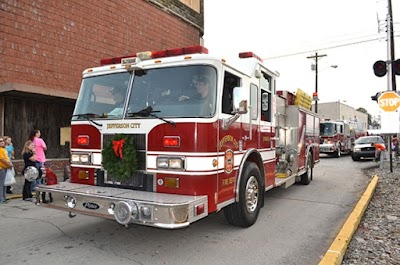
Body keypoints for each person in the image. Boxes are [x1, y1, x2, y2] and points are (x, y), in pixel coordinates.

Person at [0, 136, 13, 203]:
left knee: (5, 183)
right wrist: (9, 165)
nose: (2, 142)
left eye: (2, 141)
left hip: (5, 167)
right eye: (0, 141)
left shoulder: (4, 149)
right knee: (1, 183)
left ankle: (4, 197)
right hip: (1, 167)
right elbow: (2, 159)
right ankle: (1, 198)